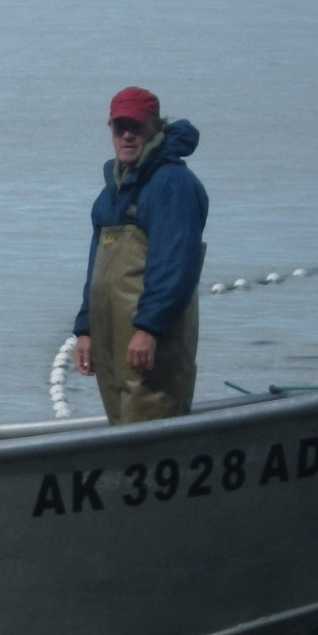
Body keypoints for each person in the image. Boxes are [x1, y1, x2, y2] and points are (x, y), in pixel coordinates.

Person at [74, 87, 208, 424]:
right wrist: (86, 330)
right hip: (111, 344)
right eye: (120, 127)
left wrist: (149, 329)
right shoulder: (111, 195)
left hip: (150, 342)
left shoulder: (172, 184)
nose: (128, 135)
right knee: (120, 426)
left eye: (137, 126)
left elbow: (175, 265)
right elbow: (96, 271)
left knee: (151, 427)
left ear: (156, 128)